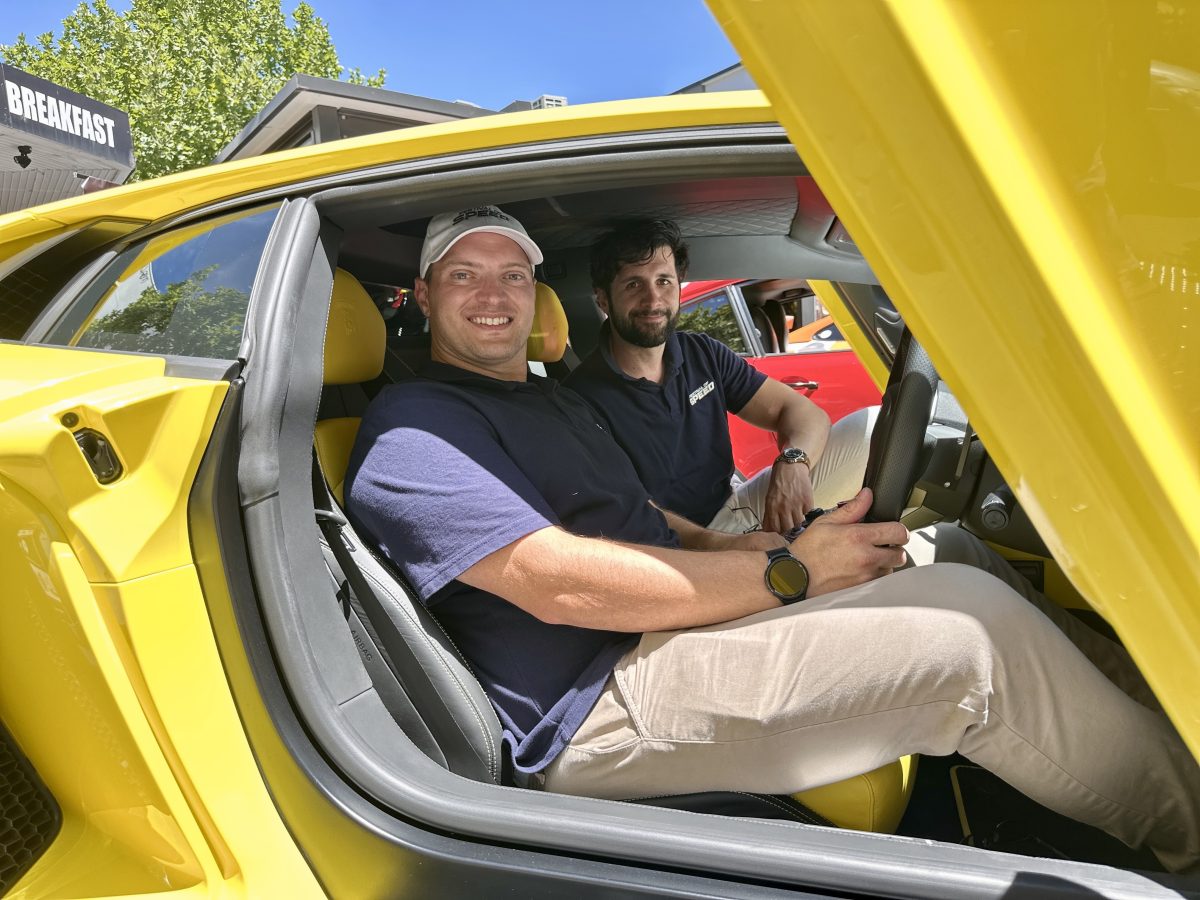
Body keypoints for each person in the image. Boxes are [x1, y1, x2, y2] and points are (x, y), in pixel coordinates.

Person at [344, 204, 1200, 872]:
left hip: (666, 629)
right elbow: (555, 581)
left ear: (536, 293)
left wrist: (754, 552)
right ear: (423, 297)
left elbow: (646, 526)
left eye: (511, 275)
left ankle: (1171, 711)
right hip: (597, 704)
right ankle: (1191, 828)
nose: (493, 295)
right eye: (464, 275)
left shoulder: (546, 399)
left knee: (949, 558)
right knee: (972, 647)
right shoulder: (414, 428)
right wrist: (790, 577)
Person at [565, 219, 870, 538]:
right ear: (603, 298)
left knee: (870, 428)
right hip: (676, 546)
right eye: (633, 285)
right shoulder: (578, 401)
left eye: (664, 281)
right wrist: (731, 549)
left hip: (736, 506)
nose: (653, 300)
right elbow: (630, 512)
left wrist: (793, 463)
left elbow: (801, 413)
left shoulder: (701, 352)